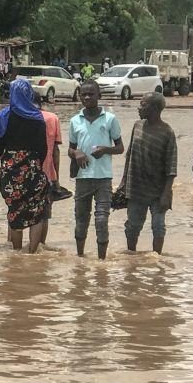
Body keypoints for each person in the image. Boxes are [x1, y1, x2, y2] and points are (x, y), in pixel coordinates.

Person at [69, 81, 124, 260]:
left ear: (99, 96)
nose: (87, 97)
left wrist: (105, 149)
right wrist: (76, 153)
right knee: (81, 220)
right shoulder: (75, 120)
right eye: (83, 94)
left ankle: (102, 261)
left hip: (103, 178)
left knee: (101, 220)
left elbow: (120, 147)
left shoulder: (109, 119)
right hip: (82, 177)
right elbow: (70, 148)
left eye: (91, 94)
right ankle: (80, 258)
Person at [0, 80, 50, 253]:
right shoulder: (38, 117)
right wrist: (33, 163)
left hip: (10, 172)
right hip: (33, 169)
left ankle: (17, 253)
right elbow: (43, 149)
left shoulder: (3, 116)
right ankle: (32, 253)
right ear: (29, 94)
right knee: (37, 213)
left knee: (15, 213)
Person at [124, 93, 177, 254]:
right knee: (133, 226)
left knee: (158, 226)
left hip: (158, 189)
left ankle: (157, 260)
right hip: (136, 187)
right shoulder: (137, 125)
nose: (139, 108)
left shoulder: (167, 132)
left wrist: (166, 193)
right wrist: (123, 182)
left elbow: (172, 166)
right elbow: (129, 154)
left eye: (143, 105)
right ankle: (131, 257)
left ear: (154, 109)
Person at [35, 92, 63, 246]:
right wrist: (56, 179)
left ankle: (14, 248)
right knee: (44, 215)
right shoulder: (52, 118)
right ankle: (41, 247)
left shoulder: (18, 117)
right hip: (47, 174)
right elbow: (55, 152)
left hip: (21, 174)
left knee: (16, 212)